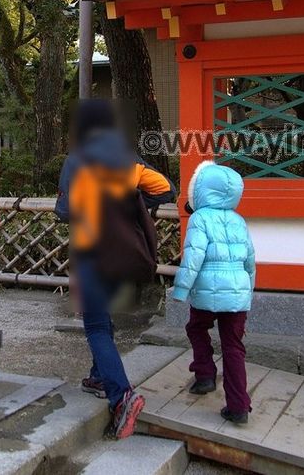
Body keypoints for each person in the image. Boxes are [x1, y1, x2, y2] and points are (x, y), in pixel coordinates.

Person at [55, 99, 175, 439]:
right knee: (104, 319)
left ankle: (122, 396)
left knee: (94, 325)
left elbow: (64, 211)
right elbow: (167, 189)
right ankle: (98, 376)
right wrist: (131, 200)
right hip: (122, 254)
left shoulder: (75, 160)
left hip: (92, 252)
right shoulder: (128, 160)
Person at [172, 160, 255, 425]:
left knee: (197, 328)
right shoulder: (239, 221)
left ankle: (205, 375)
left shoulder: (199, 218)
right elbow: (250, 261)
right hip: (238, 293)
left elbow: (193, 257)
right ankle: (239, 406)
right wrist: (248, 291)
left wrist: (181, 289)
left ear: (202, 190)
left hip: (207, 291)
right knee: (233, 347)